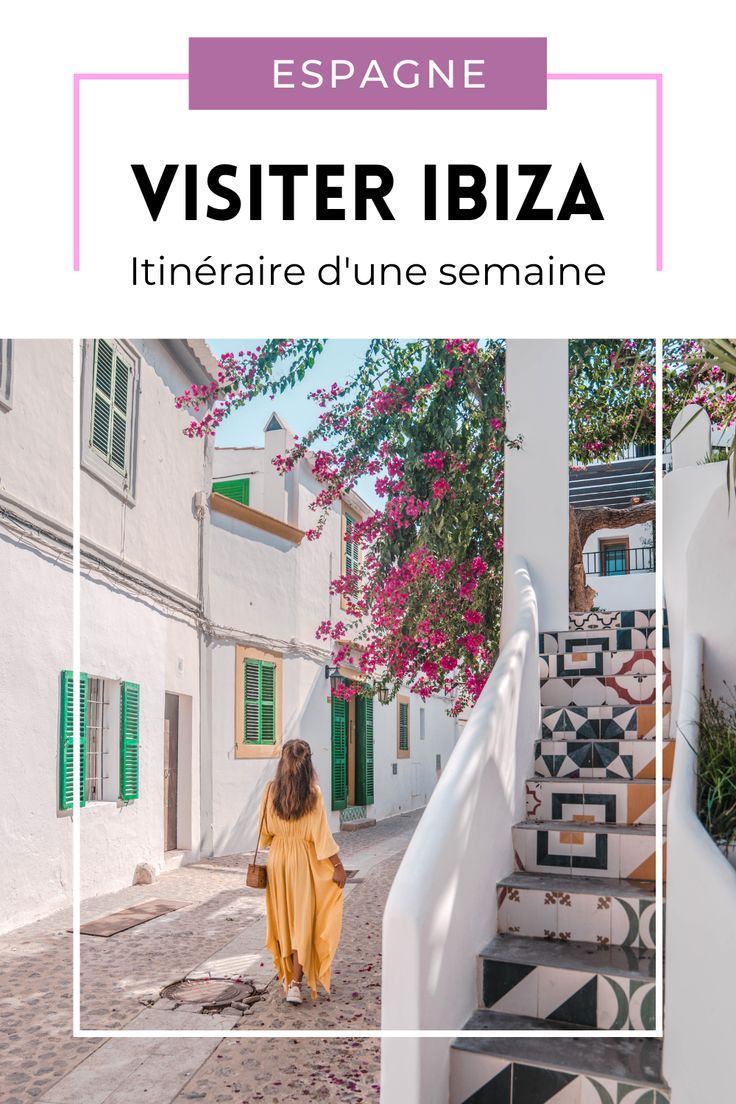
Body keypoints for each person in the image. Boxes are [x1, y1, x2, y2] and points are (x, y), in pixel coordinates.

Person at [256, 738, 346, 1003]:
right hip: (303, 861)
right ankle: (295, 982)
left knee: (285, 917)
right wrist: (338, 867)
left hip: (279, 860)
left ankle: (289, 977)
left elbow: (264, 833)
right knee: (304, 920)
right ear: (308, 763)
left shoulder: (269, 790)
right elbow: (321, 838)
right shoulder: (313, 793)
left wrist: (281, 839)